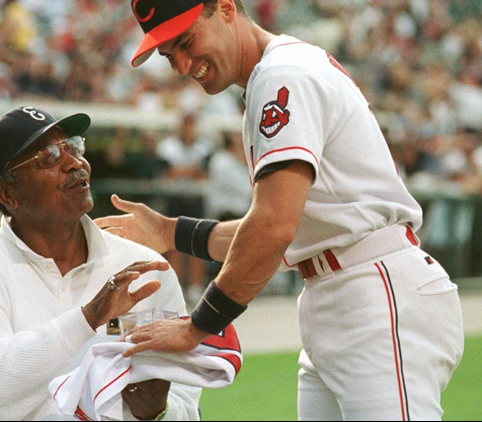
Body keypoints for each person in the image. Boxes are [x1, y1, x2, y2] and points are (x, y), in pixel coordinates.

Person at [95, 0, 464, 420]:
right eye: (168, 54)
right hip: (344, 293)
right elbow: (273, 225)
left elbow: (273, 229)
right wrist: (170, 232)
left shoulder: (280, 74)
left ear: (226, 9)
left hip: (375, 291)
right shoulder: (273, 74)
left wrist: (197, 326)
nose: (180, 64)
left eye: (185, 41)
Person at [0, 106, 204, 420]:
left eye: (72, 146)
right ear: (7, 194)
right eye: (47, 156)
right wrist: (87, 319)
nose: (75, 163)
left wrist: (157, 413)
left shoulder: (145, 270)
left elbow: (186, 404)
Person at [156, 113, 212, 305]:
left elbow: (204, 174)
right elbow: (168, 173)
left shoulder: (205, 146)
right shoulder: (167, 146)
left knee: (199, 245)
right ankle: (176, 286)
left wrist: (182, 171)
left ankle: (196, 288)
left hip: (196, 198)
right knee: (174, 245)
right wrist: (191, 171)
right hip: (175, 198)